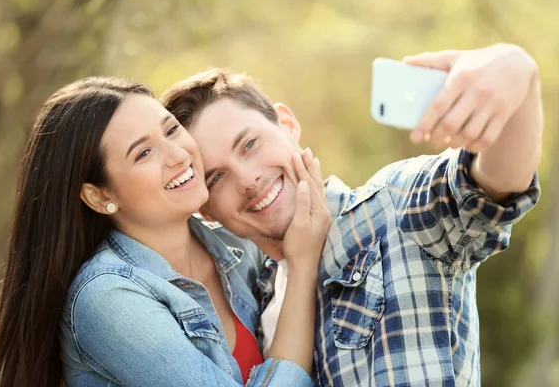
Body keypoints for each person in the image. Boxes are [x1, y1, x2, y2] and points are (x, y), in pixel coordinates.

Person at [160, 43, 543, 386]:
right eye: (218, 177)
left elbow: (495, 185)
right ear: (205, 208)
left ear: (288, 125)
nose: (248, 179)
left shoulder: (396, 206)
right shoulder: (254, 301)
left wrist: (516, 71)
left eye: (250, 144)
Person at [0, 77, 332, 387]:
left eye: (171, 130)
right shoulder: (107, 298)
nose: (178, 155)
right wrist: (301, 267)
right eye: (144, 153)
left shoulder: (233, 245)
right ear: (100, 196)